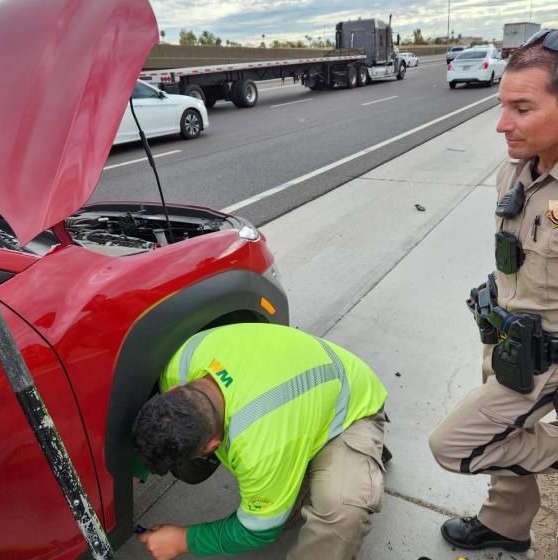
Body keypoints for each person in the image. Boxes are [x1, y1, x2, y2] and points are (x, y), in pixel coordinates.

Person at [429, 29, 558, 553]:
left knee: (454, 445)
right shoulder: (515, 170)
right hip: (508, 336)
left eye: (522, 108)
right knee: (503, 433)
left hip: (547, 354)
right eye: (503, 105)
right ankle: (506, 525)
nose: (502, 124)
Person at [131, 322, 388, 560]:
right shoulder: (180, 363)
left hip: (349, 408)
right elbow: (162, 421)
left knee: (341, 512)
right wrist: (136, 468)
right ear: (174, 390)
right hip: (301, 385)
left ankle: (331, 473)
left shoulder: (260, 447)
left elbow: (257, 530)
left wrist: (183, 541)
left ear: (212, 445)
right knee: (272, 489)